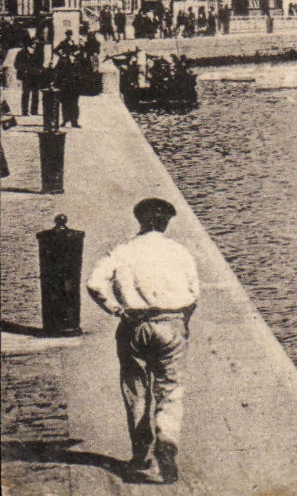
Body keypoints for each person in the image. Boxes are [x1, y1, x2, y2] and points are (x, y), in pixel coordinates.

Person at [85, 198, 200, 485]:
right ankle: (167, 440)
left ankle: (141, 453)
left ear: (140, 220)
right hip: (171, 323)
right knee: (169, 389)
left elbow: (94, 284)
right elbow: (193, 294)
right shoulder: (179, 251)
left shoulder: (122, 250)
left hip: (133, 325)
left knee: (135, 389)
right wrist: (182, 322)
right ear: (165, 222)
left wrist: (116, 309)